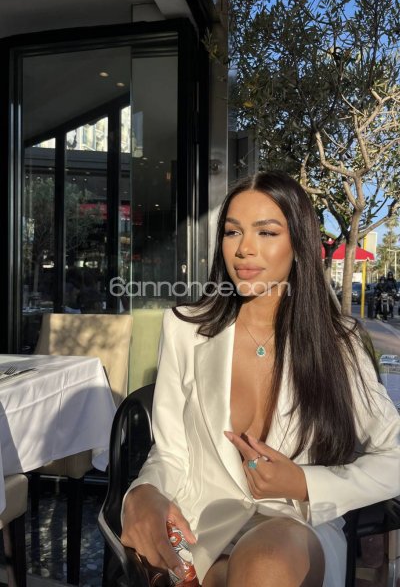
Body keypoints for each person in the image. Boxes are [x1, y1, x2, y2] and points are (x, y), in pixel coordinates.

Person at [121, 171, 400, 587]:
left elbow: (394, 456)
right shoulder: (184, 329)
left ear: (299, 245)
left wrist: (305, 483)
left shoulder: (336, 343)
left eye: (266, 232)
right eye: (232, 232)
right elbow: (172, 452)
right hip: (200, 524)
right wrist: (144, 491)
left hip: (294, 527)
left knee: (265, 564)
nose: (244, 249)